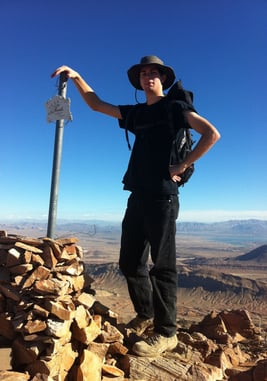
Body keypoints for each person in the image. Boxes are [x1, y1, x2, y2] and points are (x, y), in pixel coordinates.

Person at [51, 56, 220, 357]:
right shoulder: (137, 113)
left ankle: (167, 333)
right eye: (143, 74)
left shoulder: (176, 108)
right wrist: (76, 76)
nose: (147, 77)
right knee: (130, 262)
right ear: (139, 81)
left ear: (163, 79)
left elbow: (211, 134)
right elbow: (96, 104)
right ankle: (146, 314)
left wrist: (183, 163)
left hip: (163, 197)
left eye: (153, 73)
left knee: (163, 267)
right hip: (137, 196)